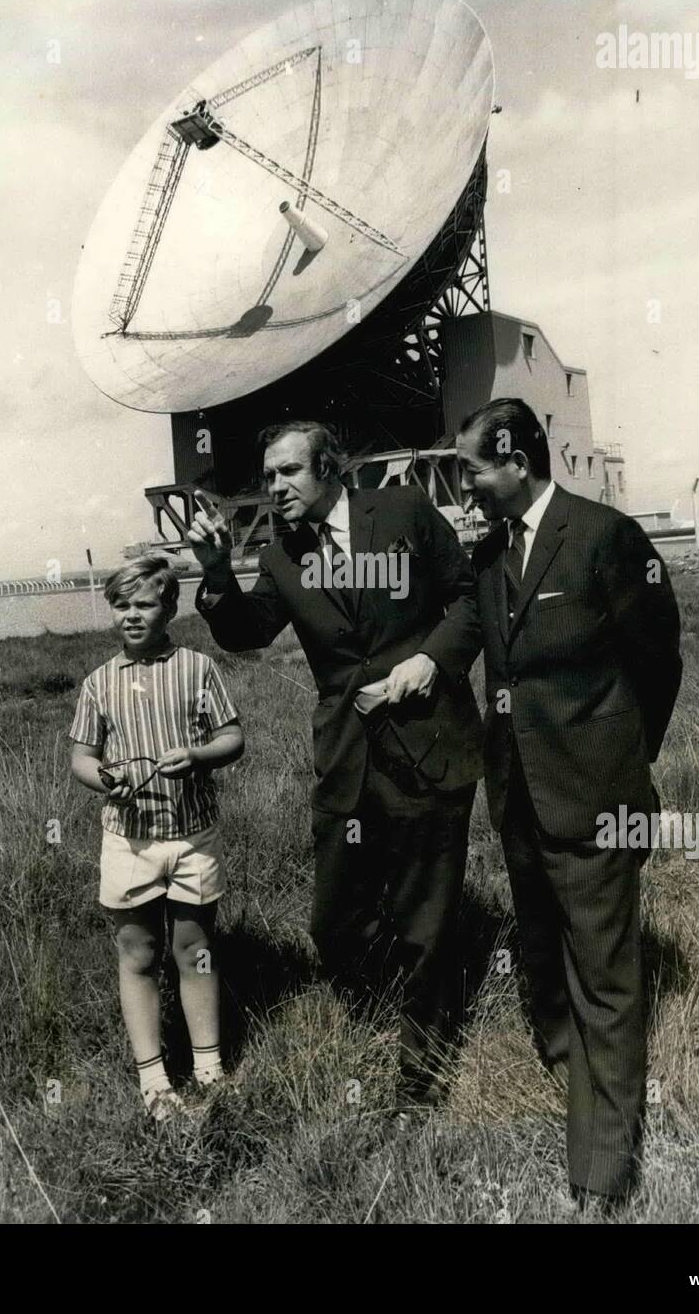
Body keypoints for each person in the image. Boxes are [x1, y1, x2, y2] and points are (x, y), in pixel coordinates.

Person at [188, 421, 483, 1114]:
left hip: (427, 741)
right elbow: (247, 633)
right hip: (347, 759)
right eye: (268, 477)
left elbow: (468, 599)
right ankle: (398, 999)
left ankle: (422, 1066)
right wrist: (214, 571)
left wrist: (429, 661)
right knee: (335, 922)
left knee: (425, 918)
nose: (275, 488)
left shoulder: (405, 510)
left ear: (329, 469)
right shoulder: (284, 553)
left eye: (288, 472)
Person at [455, 397, 682, 1205]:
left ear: (515, 460)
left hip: (593, 798)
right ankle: (572, 1080)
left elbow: (657, 658)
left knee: (608, 983)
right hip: (518, 801)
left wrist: (616, 761)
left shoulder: (602, 537)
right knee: (548, 965)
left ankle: (603, 1174)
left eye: (473, 467)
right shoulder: (488, 560)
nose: (465, 483)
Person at [68, 554, 244, 1120]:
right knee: (137, 950)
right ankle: (153, 1078)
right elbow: (81, 756)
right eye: (122, 605)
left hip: (192, 835)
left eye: (145, 604)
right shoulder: (99, 683)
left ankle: (210, 1067)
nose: (132, 615)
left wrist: (196, 755)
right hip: (130, 840)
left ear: (170, 608)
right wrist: (104, 780)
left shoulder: (197, 668)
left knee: (193, 949)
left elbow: (233, 738)